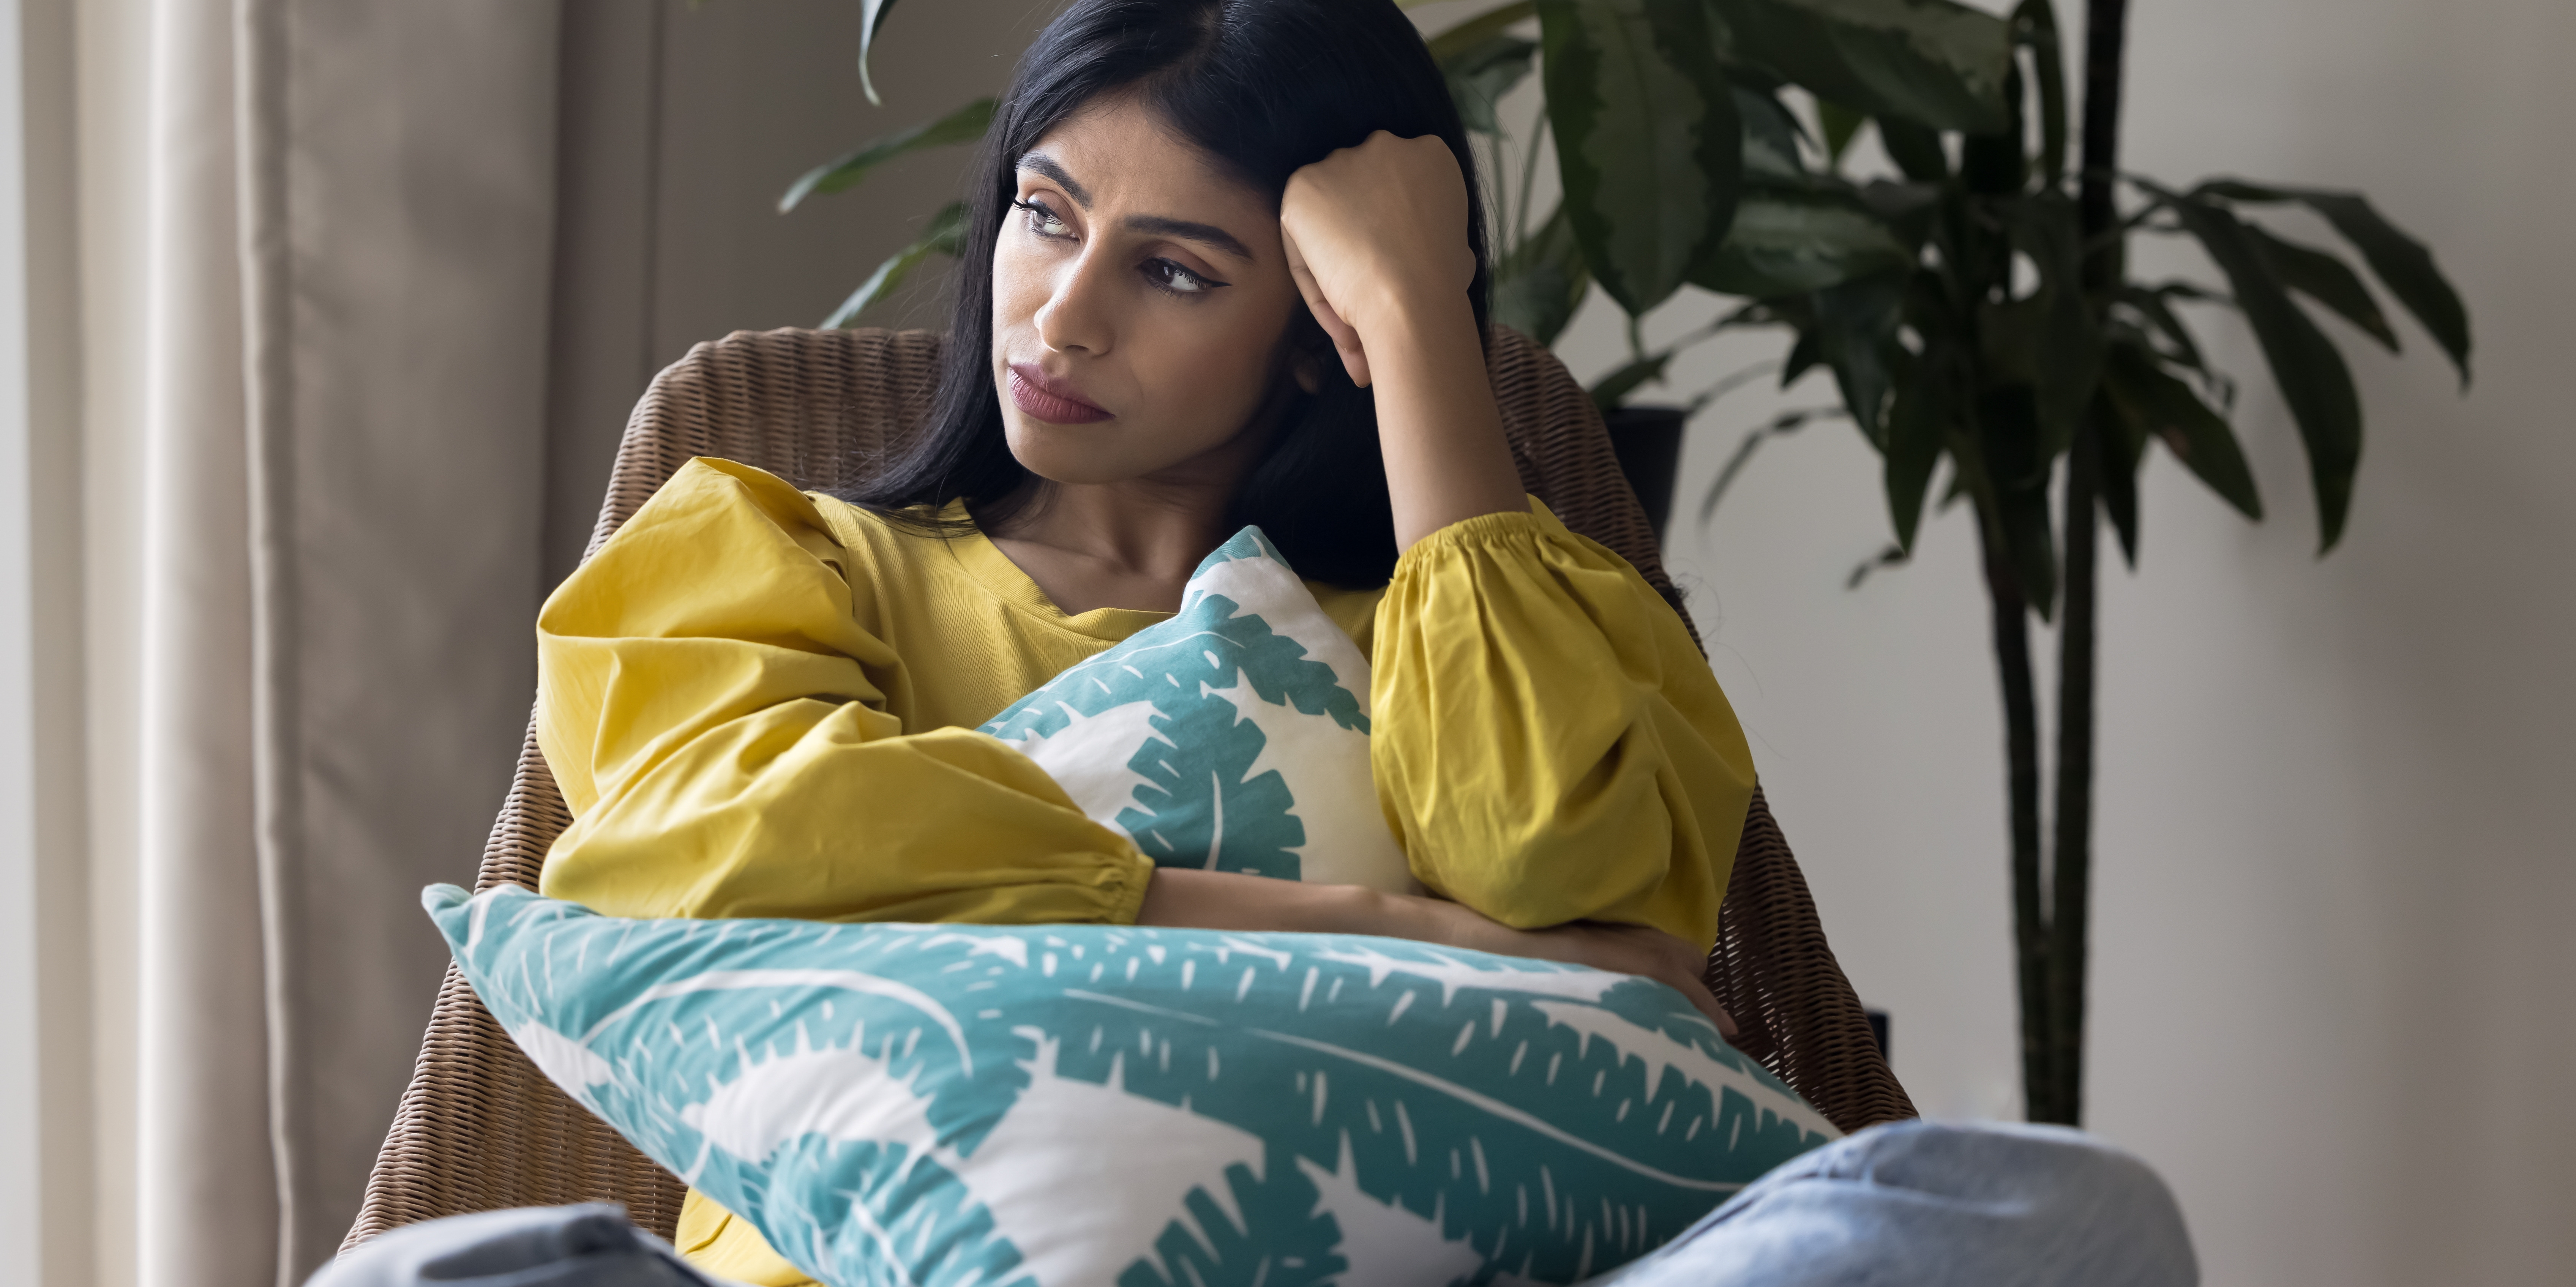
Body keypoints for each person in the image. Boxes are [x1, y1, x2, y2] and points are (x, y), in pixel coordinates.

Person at [527, 0, 2194, 1282]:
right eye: (1043, 215)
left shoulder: (1504, 628)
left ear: (1316, 334)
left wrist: (1415, 320)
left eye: (1173, 270)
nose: (1060, 311)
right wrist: (1384, 924)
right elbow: (711, 848)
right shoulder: (773, 564)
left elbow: (1548, 846)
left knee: (2064, 1210)